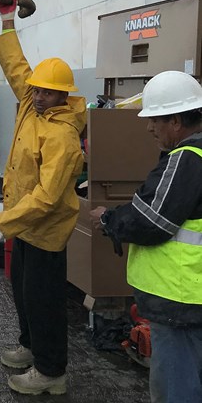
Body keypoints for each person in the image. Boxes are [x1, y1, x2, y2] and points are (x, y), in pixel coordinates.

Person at [0, 0, 86, 395]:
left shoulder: (63, 136)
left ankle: (51, 372)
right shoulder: (32, 107)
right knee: (23, 293)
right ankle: (30, 346)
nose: (37, 95)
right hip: (24, 227)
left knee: (44, 303)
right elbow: (16, 66)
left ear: (63, 97)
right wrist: (8, 20)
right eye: (36, 90)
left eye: (46, 92)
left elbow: (47, 198)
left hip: (43, 231)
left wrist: (4, 221)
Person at [89, 70, 202, 403]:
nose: (149, 127)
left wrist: (109, 219)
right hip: (192, 295)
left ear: (177, 120)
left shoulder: (186, 159)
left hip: (180, 298)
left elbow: (152, 222)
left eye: (155, 119)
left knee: (176, 386)